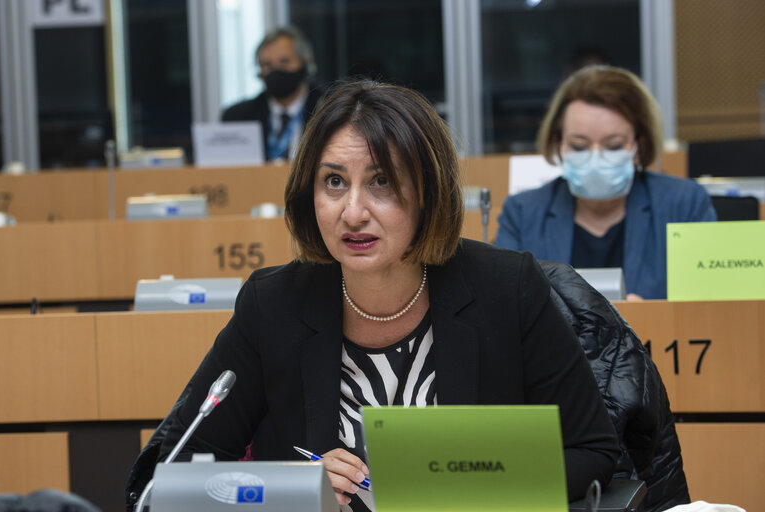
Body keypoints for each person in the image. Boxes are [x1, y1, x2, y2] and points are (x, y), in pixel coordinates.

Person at [149, 80, 619, 511]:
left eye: (382, 182)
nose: (353, 213)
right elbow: (177, 465)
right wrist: (295, 487)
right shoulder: (272, 305)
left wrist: (463, 481)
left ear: (429, 193)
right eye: (334, 182)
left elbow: (592, 451)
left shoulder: (505, 288)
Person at [495, 66, 716, 300]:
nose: (596, 160)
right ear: (559, 145)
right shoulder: (522, 213)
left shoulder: (684, 204)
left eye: (614, 146)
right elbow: (503, 307)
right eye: (580, 146)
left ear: (638, 147)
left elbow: (708, 309)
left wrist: (652, 316)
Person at [221, 26, 323, 161]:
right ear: (259, 72)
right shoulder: (237, 117)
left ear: (306, 63)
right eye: (267, 65)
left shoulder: (329, 109)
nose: (276, 71)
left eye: (284, 62)